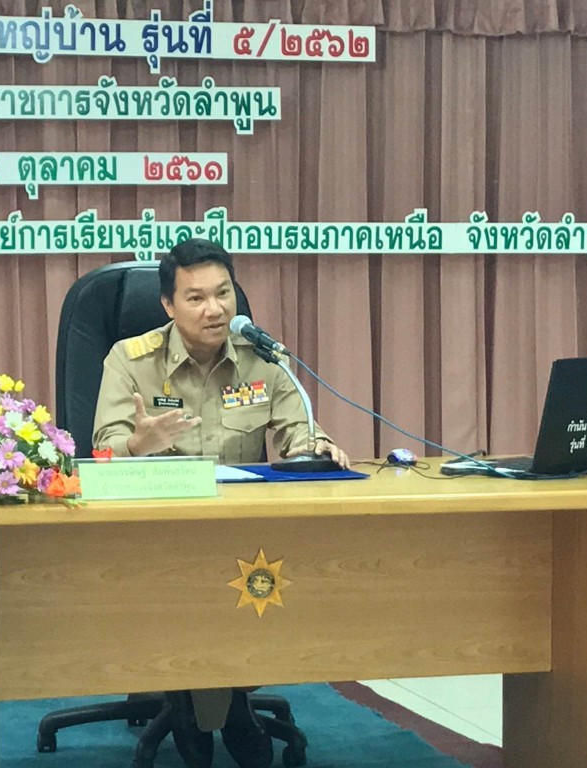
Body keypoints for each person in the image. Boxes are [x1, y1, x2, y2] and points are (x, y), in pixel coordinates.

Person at [93, 238, 349, 768]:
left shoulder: (263, 358)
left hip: (241, 537)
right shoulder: (130, 360)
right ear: (168, 305)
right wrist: (138, 443)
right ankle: (205, 705)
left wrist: (316, 448)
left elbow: (299, 432)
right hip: (156, 536)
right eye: (196, 298)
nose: (214, 309)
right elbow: (103, 450)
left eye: (223, 293)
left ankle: (223, 701)